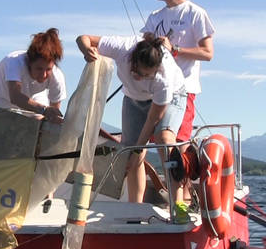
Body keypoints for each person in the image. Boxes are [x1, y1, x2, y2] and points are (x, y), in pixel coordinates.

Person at [76, 33, 186, 204]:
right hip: (133, 98)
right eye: (136, 72)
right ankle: (135, 208)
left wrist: (138, 150)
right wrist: (86, 50)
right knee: (129, 153)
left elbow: (152, 120)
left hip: (173, 96)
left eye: (146, 76)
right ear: (132, 60)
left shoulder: (164, 79)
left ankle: (178, 205)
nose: (139, 78)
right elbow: (83, 38)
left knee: (164, 139)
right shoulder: (123, 47)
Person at [141, 0, 215, 201]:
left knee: (175, 141)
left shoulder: (196, 13)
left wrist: (175, 49)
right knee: (160, 144)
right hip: (156, 89)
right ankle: (180, 192)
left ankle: (183, 196)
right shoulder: (154, 17)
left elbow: (207, 53)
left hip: (184, 88)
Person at [0, 28, 66, 124]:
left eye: (48, 69)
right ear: (29, 62)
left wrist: (51, 117)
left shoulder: (57, 77)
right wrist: (44, 110)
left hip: (35, 96)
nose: (43, 75)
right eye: (39, 69)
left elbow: (54, 111)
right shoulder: (13, 62)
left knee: (40, 121)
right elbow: (15, 96)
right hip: (2, 97)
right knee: (0, 123)